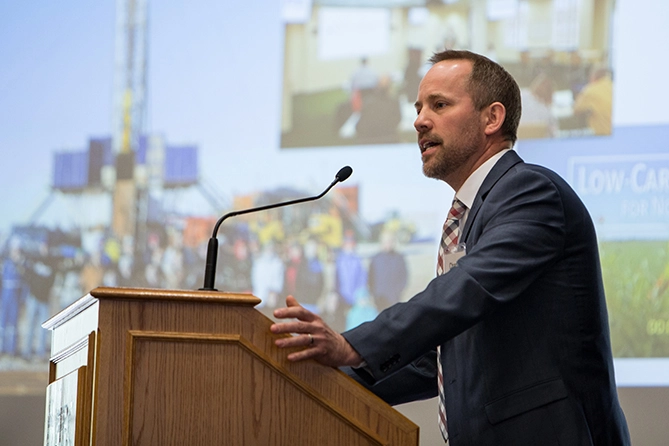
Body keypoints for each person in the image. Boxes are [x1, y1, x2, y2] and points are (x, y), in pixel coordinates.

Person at [270, 49, 630, 445]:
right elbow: (442, 357)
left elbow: (467, 289)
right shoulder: (474, 211)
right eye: (419, 107)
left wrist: (352, 345)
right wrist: (326, 382)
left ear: (492, 118)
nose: (419, 120)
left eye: (439, 105)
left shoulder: (529, 191)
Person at [573, 64, 613, 135]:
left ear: (593, 77)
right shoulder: (613, 86)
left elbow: (576, 109)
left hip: (603, 135)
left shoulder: (590, 89)